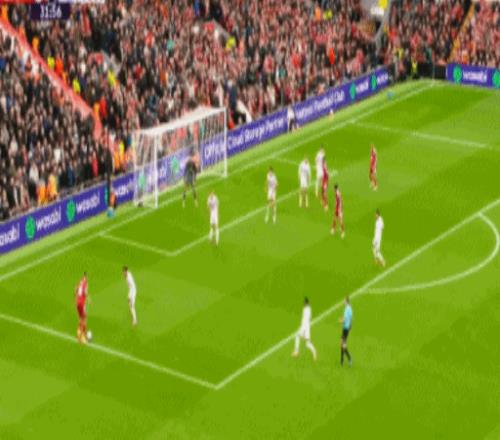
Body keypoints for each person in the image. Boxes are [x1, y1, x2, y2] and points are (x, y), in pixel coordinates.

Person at [75, 272, 89, 344]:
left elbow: (75, 289)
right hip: (82, 304)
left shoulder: (80, 282)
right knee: (84, 319)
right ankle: (82, 337)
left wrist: (76, 297)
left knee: (81, 318)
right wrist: (88, 299)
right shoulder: (85, 283)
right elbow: (85, 292)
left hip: (77, 303)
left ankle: (79, 335)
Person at [339, 296, 353, 367]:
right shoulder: (350, 309)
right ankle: (342, 359)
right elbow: (351, 318)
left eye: (344, 301)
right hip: (347, 328)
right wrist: (350, 326)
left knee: (343, 345)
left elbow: (345, 320)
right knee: (341, 343)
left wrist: (340, 321)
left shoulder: (346, 309)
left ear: (347, 301)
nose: (343, 302)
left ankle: (349, 359)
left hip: (345, 328)